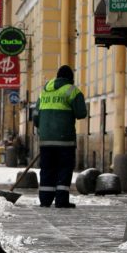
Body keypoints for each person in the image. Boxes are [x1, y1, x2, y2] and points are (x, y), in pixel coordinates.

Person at [34, 65, 87, 208]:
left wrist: (43, 129)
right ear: (70, 78)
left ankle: (45, 200)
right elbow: (81, 113)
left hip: (46, 139)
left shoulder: (44, 91)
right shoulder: (72, 90)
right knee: (64, 168)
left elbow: (35, 115)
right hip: (65, 139)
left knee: (47, 168)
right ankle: (61, 200)